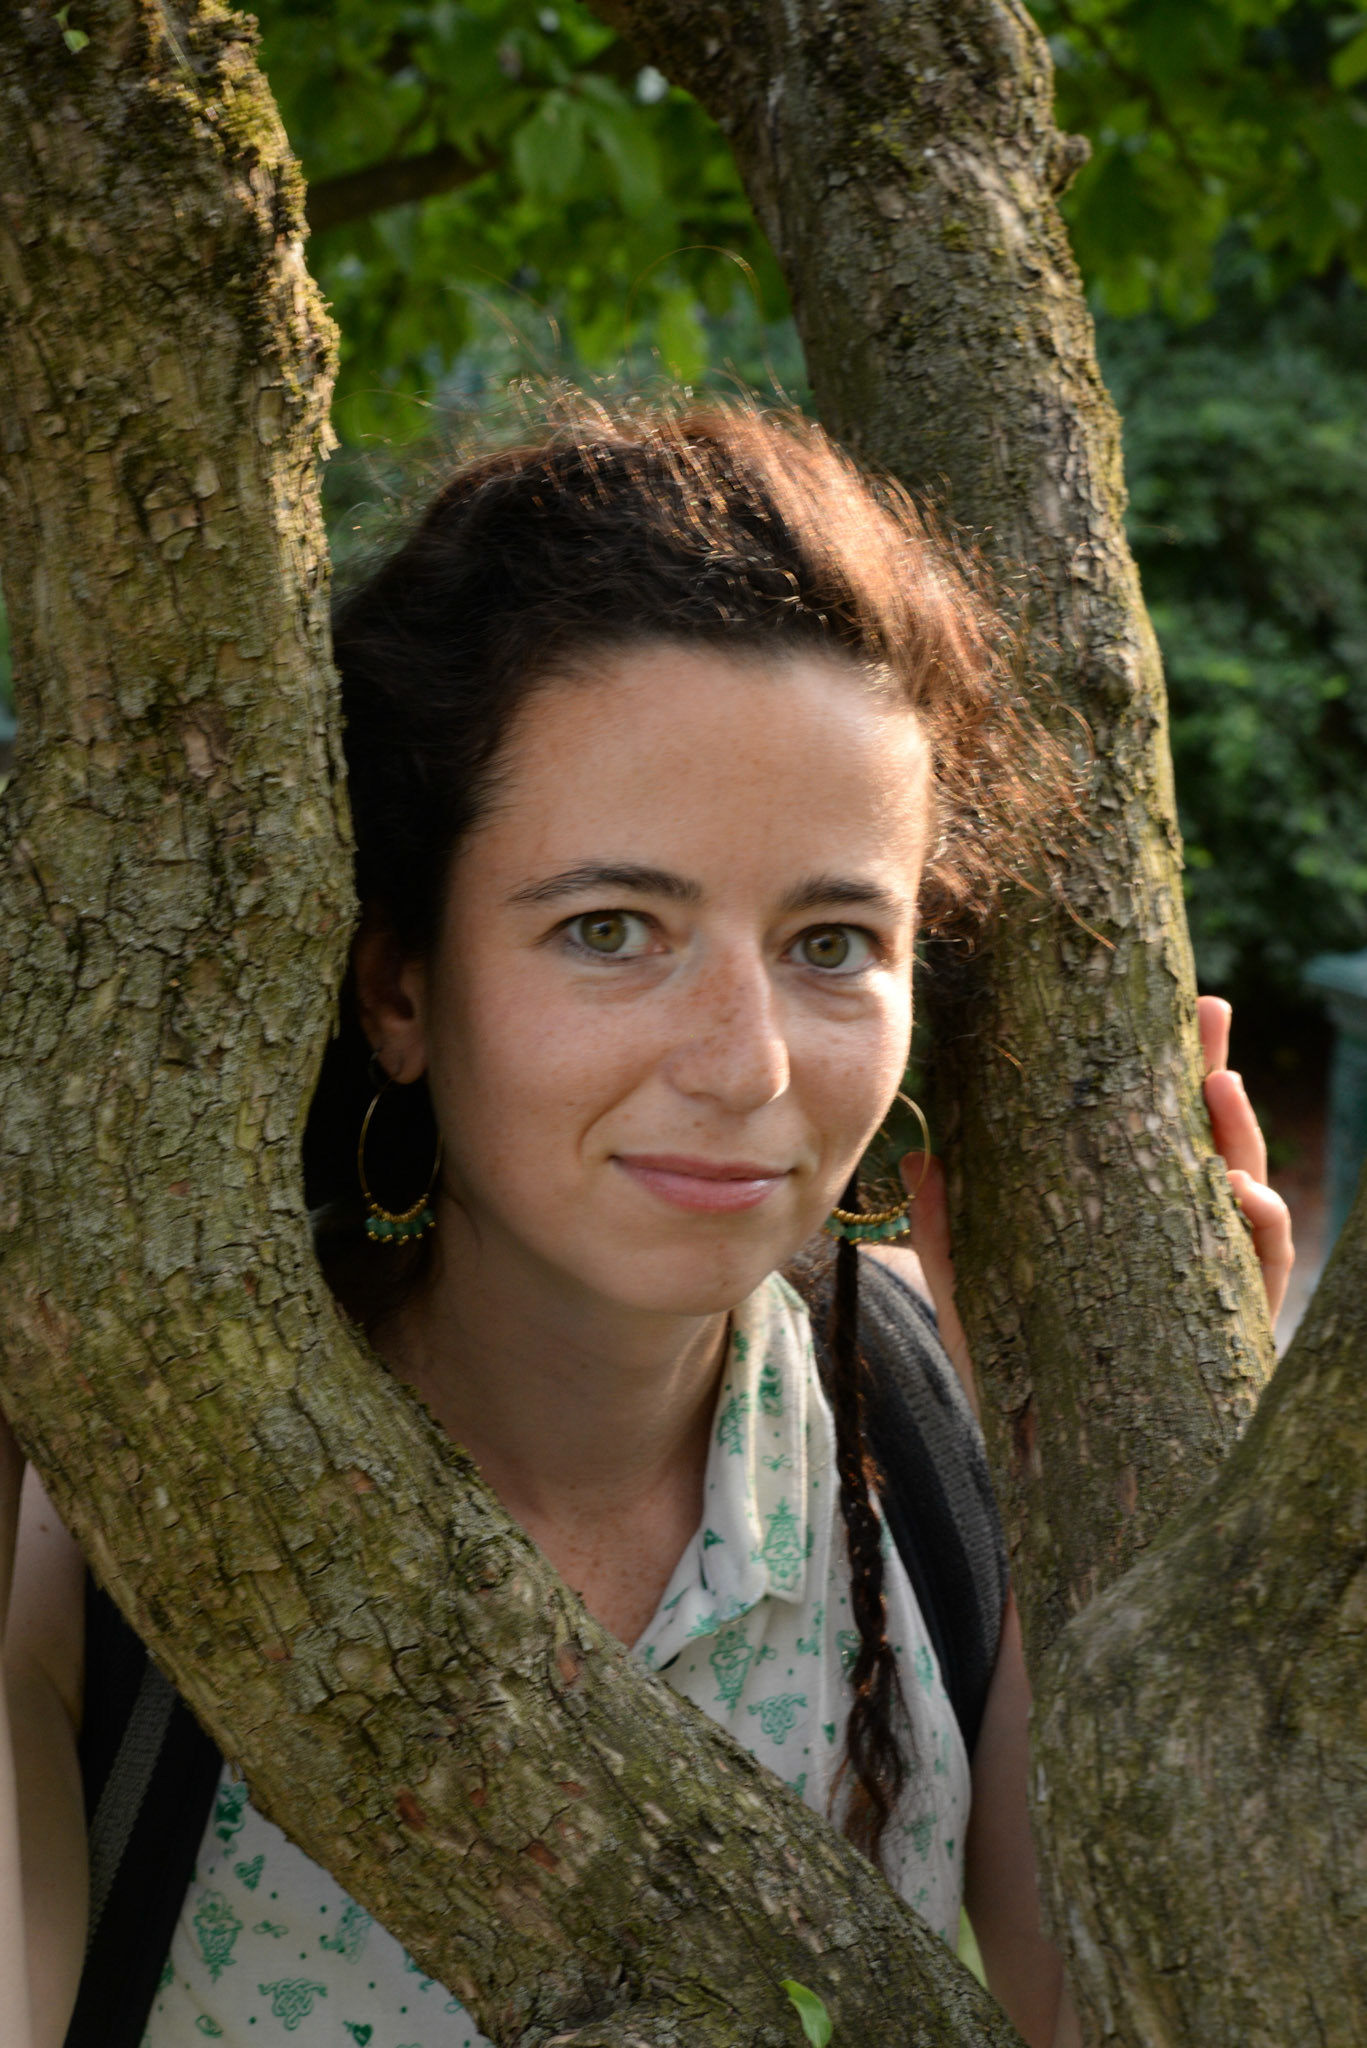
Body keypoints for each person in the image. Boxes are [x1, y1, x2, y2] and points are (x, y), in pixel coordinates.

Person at [0, 403, 1293, 2048]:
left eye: (832, 944)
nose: (747, 1066)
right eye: (612, 930)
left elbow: (1165, 2017)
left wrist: (1145, 1511)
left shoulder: (936, 1445)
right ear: (398, 986)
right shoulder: (100, 1508)